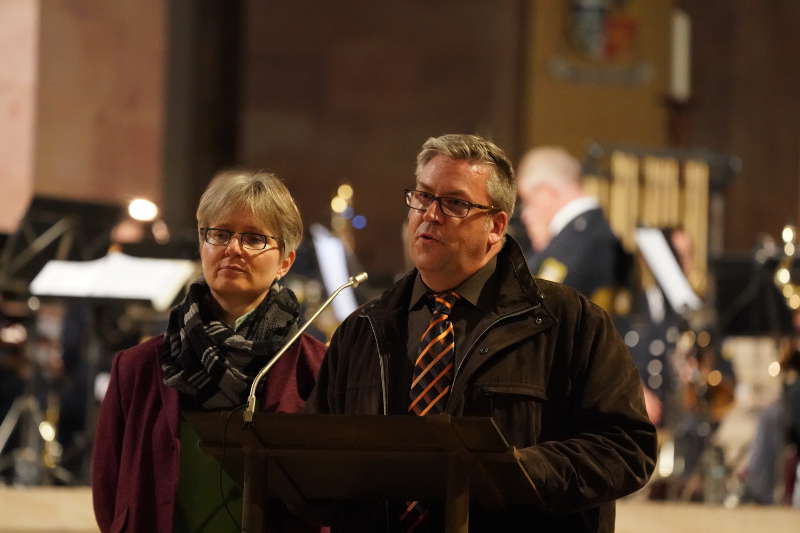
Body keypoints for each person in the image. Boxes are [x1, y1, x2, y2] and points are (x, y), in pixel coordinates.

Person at [307, 134, 657, 532]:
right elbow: (315, 456)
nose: (430, 214)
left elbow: (627, 449)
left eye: (454, 203)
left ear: (496, 225)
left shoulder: (570, 322)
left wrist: (515, 471)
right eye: (422, 197)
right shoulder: (365, 329)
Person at [91, 170, 326, 532]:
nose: (232, 249)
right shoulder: (136, 368)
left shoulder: (318, 368)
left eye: (253, 238)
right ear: (203, 244)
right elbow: (110, 496)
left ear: (285, 261)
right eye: (219, 234)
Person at [516, 146, 630, 313]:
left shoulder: (579, 241)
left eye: (527, 201)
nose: (525, 214)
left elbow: (538, 307)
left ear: (545, 192)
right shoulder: (590, 231)